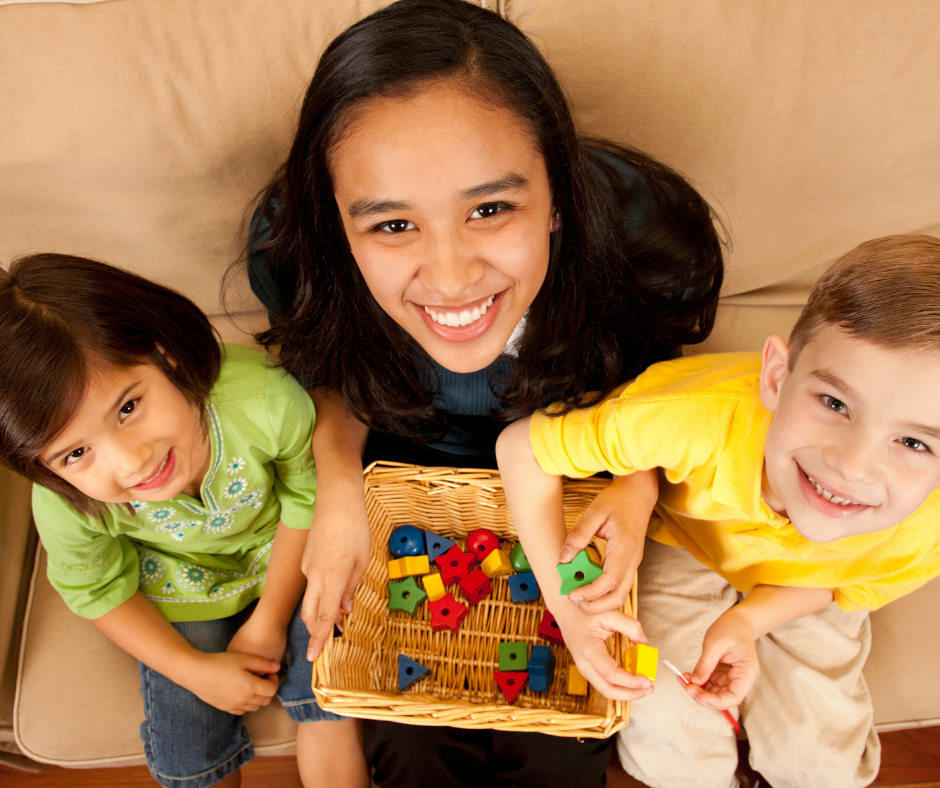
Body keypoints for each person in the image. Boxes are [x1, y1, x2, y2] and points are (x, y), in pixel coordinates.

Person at [241, 0, 723, 783]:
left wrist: (637, 485)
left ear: (560, 192)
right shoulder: (294, 253)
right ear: (334, 223)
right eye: (393, 226)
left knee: (558, 732)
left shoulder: (650, 246)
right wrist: (338, 493)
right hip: (405, 471)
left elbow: (657, 387)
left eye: (491, 209)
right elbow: (333, 373)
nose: (453, 276)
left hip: (575, 474)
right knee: (411, 734)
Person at [495, 234, 940, 788]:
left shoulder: (928, 522)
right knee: (674, 754)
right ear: (777, 377)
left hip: (812, 585)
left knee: (820, 769)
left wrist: (748, 621)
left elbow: (853, 585)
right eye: (834, 404)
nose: (850, 467)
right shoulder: (690, 417)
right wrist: (569, 608)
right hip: (686, 543)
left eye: (915, 443)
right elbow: (521, 448)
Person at [0, 255, 367, 788]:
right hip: (178, 587)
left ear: (165, 355)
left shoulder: (263, 399)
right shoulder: (64, 502)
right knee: (189, 743)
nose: (132, 462)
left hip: (289, 557)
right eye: (75, 452)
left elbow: (306, 501)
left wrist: (268, 622)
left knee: (330, 699)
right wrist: (191, 670)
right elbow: (98, 588)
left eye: (127, 408)